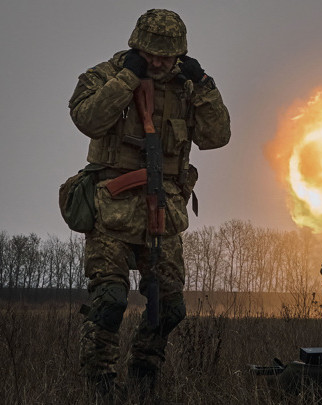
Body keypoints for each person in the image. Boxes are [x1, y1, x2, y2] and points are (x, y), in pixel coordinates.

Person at [68, 9, 231, 398]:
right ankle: (101, 385)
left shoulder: (188, 86)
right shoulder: (107, 74)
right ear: (137, 46)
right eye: (153, 54)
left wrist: (205, 83)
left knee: (170, 307)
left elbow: (217, 136)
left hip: (165, 211)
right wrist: (127, 78)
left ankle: (143, 375)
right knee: (109, 302)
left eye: (168, 56)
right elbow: (87, 119)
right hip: (113, 211)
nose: (160, 62)